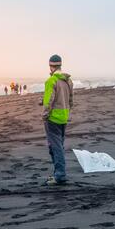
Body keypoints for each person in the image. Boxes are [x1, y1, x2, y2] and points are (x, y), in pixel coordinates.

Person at [43, 54, 74, 186]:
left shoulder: (51, 81)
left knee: (55, 147)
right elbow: (70, 100)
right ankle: (57, 173)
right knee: (57, 146)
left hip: (53, 119)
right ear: (60, 65)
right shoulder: (68, 81)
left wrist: (45, 115)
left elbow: (49, 100)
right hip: (63, 117)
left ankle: (60, 175)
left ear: (51, 66)